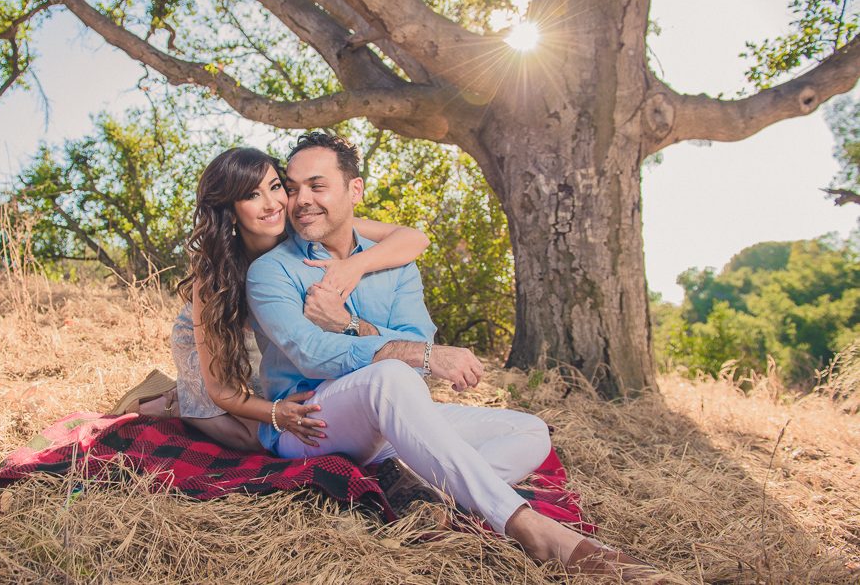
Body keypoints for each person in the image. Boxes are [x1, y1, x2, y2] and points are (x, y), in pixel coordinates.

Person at [245, 132, 663, 581]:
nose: (300, 199)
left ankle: (421, 485)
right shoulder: (272, 270)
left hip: (393, 415)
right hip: (308, 420)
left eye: (316, 185)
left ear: (355, 190)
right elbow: (312, 354)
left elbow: (417, 335)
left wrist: (353, 325)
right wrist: (415, 355)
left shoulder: (394, 263)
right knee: (391, 376)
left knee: (529, 432)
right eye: (292, 187)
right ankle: (533, 528)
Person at [114, 146, 431, 453]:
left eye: (276, 187)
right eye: (252, 195)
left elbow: (414, 239)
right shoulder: (213, 279)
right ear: (231, 211)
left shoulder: (305, 224)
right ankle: (172, 401)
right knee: (256, 439)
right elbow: (221, 389)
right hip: (219, 339)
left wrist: (353, 266)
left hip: (270, 340)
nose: (272, 204)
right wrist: (274, 413)